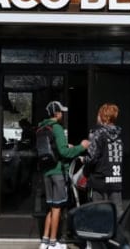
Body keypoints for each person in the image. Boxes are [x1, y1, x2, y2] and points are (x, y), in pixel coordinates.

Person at [39, 100, 89, 249]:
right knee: (57, 207)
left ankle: (45, 241)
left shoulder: (42, 128)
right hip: (58, 171)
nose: (62, 114)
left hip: (46, 171)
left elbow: (55, 147)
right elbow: (63, 152)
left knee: (50, 207)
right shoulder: (57, 128)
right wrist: (81, 147)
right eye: (61, 111)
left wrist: (66, 146)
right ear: (56, 113)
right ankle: (54, 243)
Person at [83, 103, 124, 214]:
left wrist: (84, 162)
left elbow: (91, 158)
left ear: (103, 117)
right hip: (115, 180)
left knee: (99, 215)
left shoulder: (98, 134)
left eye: (98, 114)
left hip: (99, 181)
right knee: (116, 214)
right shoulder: (119, 134)